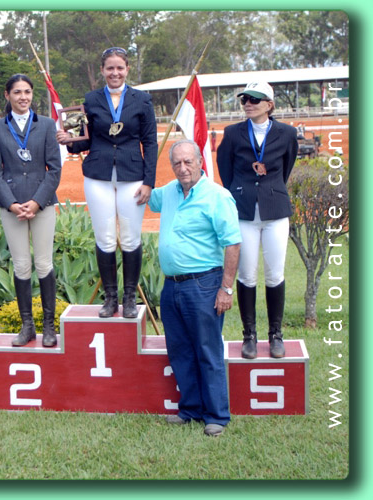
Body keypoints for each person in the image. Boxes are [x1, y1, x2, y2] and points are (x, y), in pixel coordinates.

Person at [148, 140, 241, 437]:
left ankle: (216, 415)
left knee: (207, 349)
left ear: (200, 161)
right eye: (177, 163)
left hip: (204, 284)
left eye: (188, 162)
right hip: (171, 286)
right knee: (180, 350)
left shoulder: (217, 196)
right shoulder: (169, 193)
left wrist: (226, 289)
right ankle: (190, 408)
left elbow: (232, 243)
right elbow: (146, 196)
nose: (182, 168)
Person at [56, 47, 157, 319]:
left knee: (130, 237)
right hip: (98, 176)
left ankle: (129, 297)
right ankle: (110, 298)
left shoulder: (142, 100)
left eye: (120, 68)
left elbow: (149, 142)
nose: (115, 73)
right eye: (110, 68)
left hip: (132, 176)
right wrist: (71, 142)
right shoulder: (90, 99)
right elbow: (87, 139)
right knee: (105, 237)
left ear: (127, 70)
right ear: (102, 70)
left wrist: (149, 181)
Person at [217, 81, 298, 359]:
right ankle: (249, 335)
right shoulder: (232, 133)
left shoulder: (287, 133)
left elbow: (287, 166)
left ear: (269, 104)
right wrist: (242, 193)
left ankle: (276, 334)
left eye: (254, 99)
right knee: (247, 274)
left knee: (275, 274)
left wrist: (270, 190)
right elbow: (225, 170)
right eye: (244, 100)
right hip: (244, 211)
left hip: (275, 210)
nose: (248, 104)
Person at [0, 74, 62, 347]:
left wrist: (37, 201)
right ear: (7, 95)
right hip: (12, 206)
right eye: (17, 92)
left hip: (42, 203)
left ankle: (49, 327)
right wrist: (11, 203)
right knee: (21, 265)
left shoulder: (46, 125)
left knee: (43, 263)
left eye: (27, 92)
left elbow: (54, 169)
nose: (23, 97)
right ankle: (27, 326)